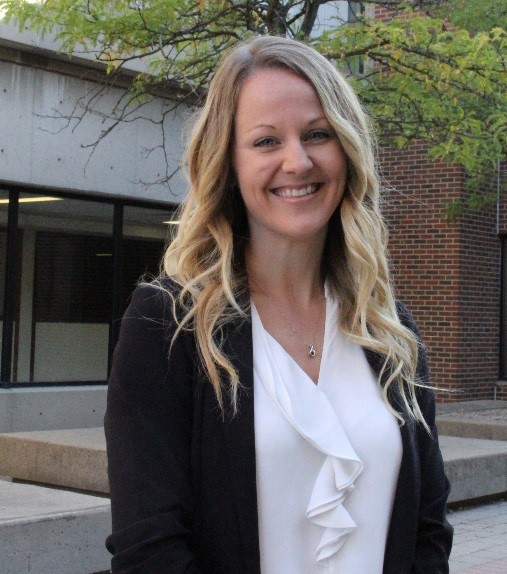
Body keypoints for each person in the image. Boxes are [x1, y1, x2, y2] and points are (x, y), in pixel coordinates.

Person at [104, 35, 453, 574]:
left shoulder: (387, 331)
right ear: (228, 161)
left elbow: (428, 530)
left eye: (318, 134)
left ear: (347, 148)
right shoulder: (166, 325)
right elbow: (149, 550)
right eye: (266, 142)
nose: (298, 161)